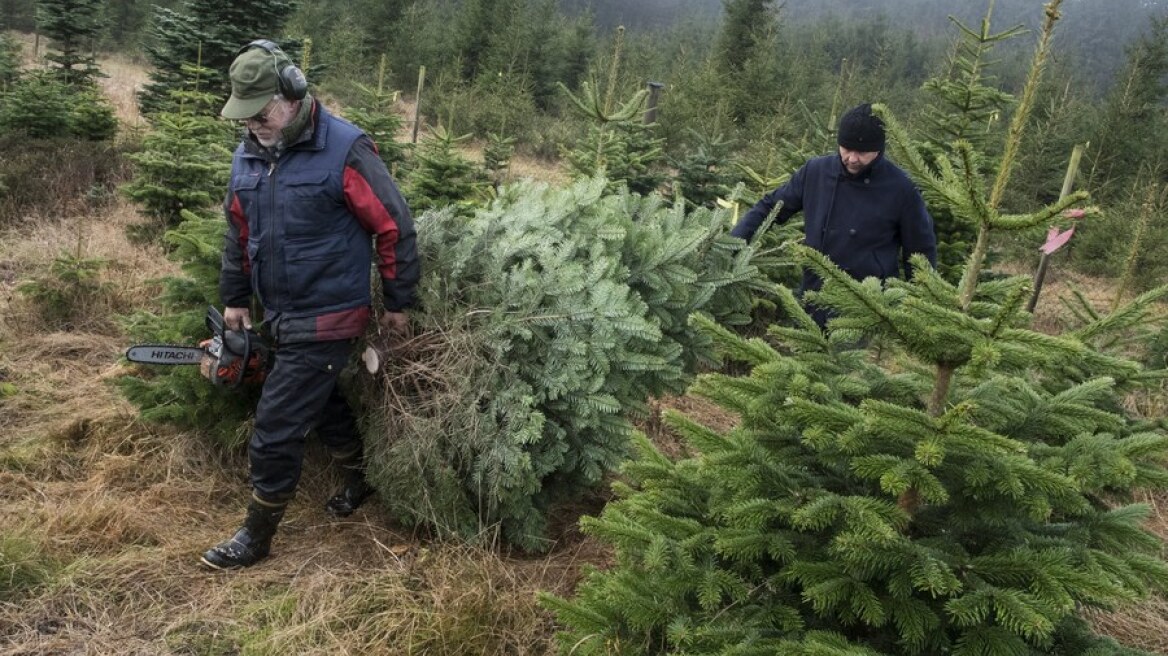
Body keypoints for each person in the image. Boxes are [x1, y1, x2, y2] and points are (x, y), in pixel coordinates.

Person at [201, 40, 419, 570]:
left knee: (276, 423)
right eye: (245, 116)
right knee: (318, 401)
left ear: (292, 93)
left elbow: (394, 226)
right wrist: (234, 297)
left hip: (330, 312)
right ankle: (358, 477)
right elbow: (238, 229)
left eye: (262, 113)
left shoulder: (345, 150)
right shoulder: (249, 154)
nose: (254, 125)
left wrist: (398, 303)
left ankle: (256, 534)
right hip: (279, 310)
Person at [731, 103, 937, 327]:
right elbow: (770, 207)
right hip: (813, 294)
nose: (852, 158)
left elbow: (920, 250)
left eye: (862, 152)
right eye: (846, 148)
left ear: (879, 150)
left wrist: (921, 306)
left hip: (866, 305)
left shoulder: (901, 188)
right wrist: (733, 244)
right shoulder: (816, 171)